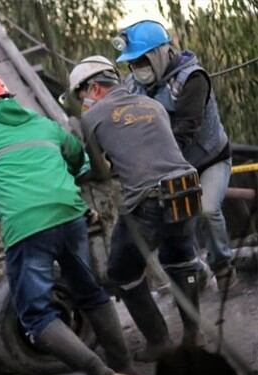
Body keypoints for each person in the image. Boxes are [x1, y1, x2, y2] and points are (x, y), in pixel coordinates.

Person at [0, 75, 132, 375]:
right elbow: (77, 157)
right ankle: (124, 367)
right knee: (90, 292)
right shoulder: (42, 123)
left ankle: (98, 373)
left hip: (28, 229)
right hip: (71, 215)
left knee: (36, 315)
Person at [71, 55, 203, 358]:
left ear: (94, 88)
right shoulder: (152, 105)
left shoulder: (93, 117)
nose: (83, 104)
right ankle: (193, 336)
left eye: (82, 96)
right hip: (186, 188)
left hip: (148, 201)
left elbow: (99, 170)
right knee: (181, 261)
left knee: (122, 271)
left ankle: (159, 342)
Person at [115, 20, 236, 290]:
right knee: (173, 221)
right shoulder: (133, 85)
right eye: (132, 63)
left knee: (206, 210)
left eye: (142, 61)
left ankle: (223, 265)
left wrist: (149, 160)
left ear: (161, 53)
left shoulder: (192, 79)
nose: (137, 68)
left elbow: (186, 128)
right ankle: (194, 270)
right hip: (171, 165)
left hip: (208, 159)